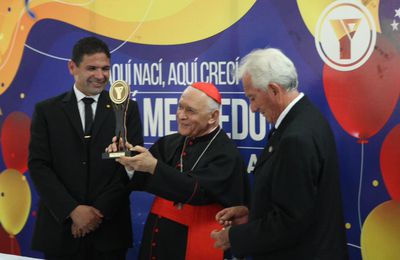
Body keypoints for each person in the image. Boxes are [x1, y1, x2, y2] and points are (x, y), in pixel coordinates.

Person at [211, 48, 348, 260]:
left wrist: (235, 237)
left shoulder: (296, 137)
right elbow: (299, 203)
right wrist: (252, 214)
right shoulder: (306, 118)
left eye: (253, 98)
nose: (253, 108)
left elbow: (291, 221)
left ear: (274, 90)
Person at [28, 36, 143, 260]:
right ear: (72, 67)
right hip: (60, 229)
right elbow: (39, 165)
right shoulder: (47, 111)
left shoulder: (127, 109)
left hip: (109, 231)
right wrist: (73, 211)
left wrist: (97, 213)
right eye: (92, 68)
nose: (100, 76)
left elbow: (131, 166)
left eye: (105, 69)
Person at [108, 82, 249, 260]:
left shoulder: (226, 153)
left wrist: (153, 166)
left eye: (190, 111)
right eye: (180, 107)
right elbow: (143, 180)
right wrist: (130, 163)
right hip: (159, 238)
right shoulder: (170, 142)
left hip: (199, 239)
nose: (181, 115)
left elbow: (198, 190)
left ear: (213, 116)